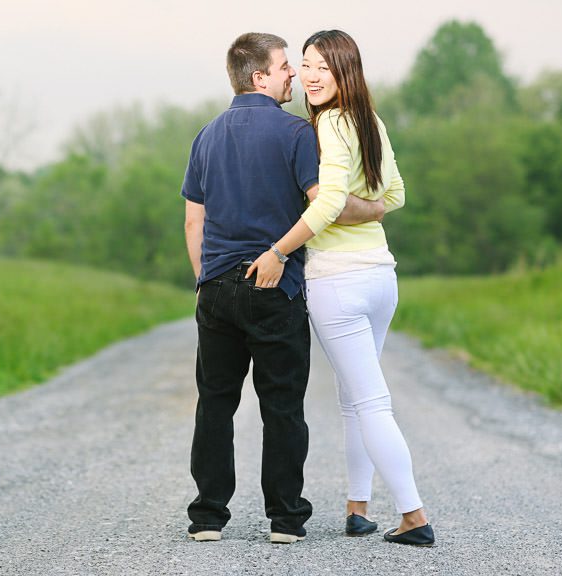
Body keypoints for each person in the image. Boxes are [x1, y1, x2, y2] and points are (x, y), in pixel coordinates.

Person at [182, 32, 383, 545]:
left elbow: (193, 222)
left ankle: (207, 516)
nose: (294, 74)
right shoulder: (297, 134)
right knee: (282, 407)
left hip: (218, 288)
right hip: (276, 285)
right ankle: (286, 520)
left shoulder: (205, 136)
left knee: (215, 403)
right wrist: (378, 207)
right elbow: (327, 204)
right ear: (259, 77)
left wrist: (204, 281)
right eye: (285, 67)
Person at [247, 29, 435, 546]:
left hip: (339, 280)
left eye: (322, 68)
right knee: (353, 398)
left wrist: (279, 251)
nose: (309, 76)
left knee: (370, 401)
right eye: (304, 65)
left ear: (344, 73)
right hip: (380, 276)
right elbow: (393, 194)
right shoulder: (368, 120)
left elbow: (327, 203)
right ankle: (358, 507)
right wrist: (370, 208)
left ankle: (414, 517)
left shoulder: (328, 124)